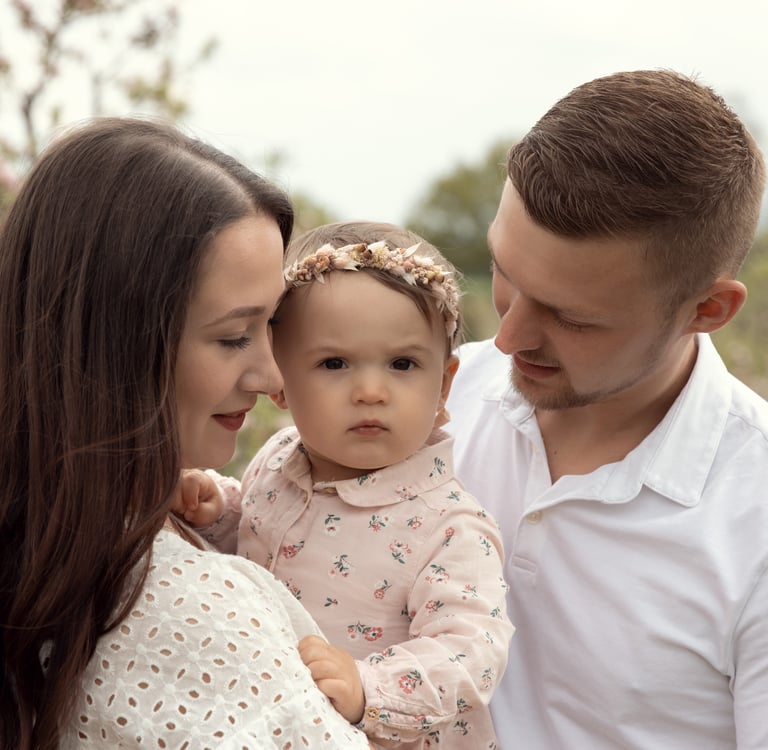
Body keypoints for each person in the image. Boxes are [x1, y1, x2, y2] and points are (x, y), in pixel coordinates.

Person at [0, 119, 374, 749]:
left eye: (272, 326)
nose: (270, 372)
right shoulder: (194, 610)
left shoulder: (49, 536)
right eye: (233, 335)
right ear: (111, 344)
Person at [444, 69, 768, 748]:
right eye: (505, 270)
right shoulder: (432, 396)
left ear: (707, 311)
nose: (506, 338)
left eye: (572, 318)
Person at [177, 221, 513, 749]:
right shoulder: (277, 460)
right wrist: (217, 513)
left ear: (444, 385)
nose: (371, 391)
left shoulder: (448, 526)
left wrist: (368, 686)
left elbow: (473, 650)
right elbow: (255, 538)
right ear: (279, 379)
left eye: (403, 364)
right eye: (334, 363)